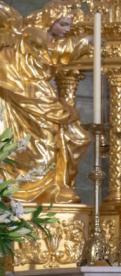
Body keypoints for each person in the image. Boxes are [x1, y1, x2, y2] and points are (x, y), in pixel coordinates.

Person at [0, 4, 91, 203]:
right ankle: (36, 188)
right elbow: (54, 53)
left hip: (38, 95)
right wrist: (85, 42)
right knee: (43, 141)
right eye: (64, 24)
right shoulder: (34, 33)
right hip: (25, 93)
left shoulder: (44, 36)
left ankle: (52, 186)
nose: (67, 30)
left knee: (67, 137)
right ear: (51, 19)